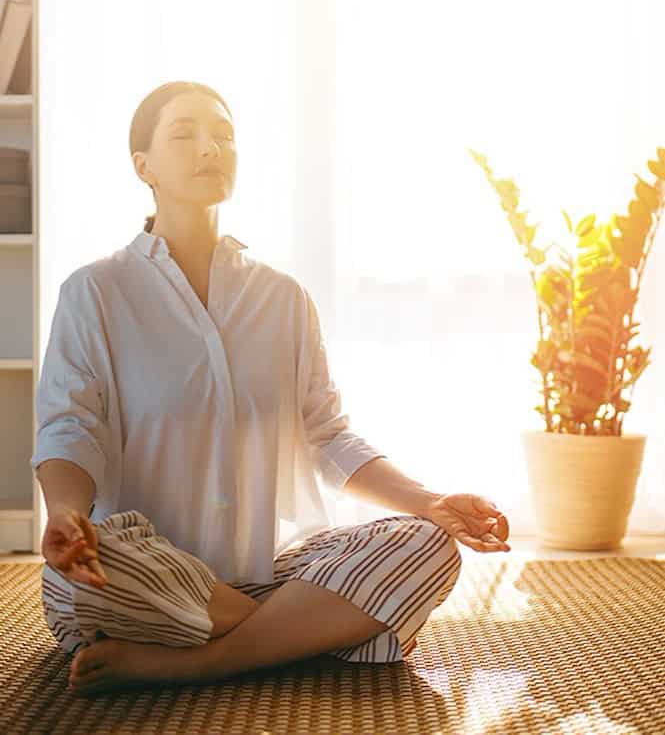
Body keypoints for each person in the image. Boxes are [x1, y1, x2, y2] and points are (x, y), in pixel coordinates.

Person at [32, 80, 510, 697]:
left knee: (426, 545)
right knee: (76, 580)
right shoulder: (94, 291)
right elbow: (71, 427)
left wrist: (430, 502)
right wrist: (68, 515)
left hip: (273, 572)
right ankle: (305, 633)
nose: (211, 146)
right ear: (142, 166)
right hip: (143, 571)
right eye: (185, 134)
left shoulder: (283, 298)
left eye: (224, 135)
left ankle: (192, 661)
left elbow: (327, 436)